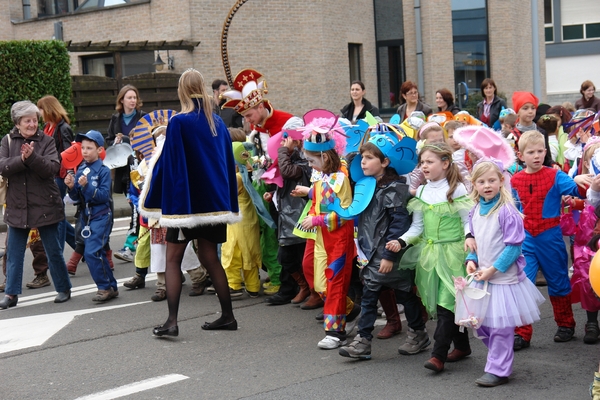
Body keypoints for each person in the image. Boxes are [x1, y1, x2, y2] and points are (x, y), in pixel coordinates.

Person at [141, 68, 240, 336]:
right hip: (214, 204)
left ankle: (172, 322)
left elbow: (170, 165)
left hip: (187, 206)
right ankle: (228, 316)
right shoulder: (216, 122)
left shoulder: (179, 121)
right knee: (210, 258)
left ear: (182, 90)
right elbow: (224, 164)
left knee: (172, 260)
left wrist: (153, 193)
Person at [337, 131, 431, 359]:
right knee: (373, 296)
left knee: (403, 294)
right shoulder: (368, 186)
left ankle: (416, 333)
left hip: (389, 254)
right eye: (362, 158)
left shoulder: (395, 189)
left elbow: (399, 224)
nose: (363, 162)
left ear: (385, 162)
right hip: (370, 254)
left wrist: (389, 256)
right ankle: (365, 341)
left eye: (369, 157)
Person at [393, 142, 475, 373]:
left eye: (430, 161)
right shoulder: (421, 191)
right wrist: (401, 241)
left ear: (445, 163)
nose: (424, 166)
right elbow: (417, 228)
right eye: (422, 162)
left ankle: (438, 355)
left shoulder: (456, 189)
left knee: (446, 304)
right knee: (441, 301)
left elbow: (467, 219)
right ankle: (462, 346)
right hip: (429, 255)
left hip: (453, 254)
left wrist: (470, 237)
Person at [221, 69, 303, 296]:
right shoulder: (255, 132)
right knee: (275, 237)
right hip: (270, 191)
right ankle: (289, 283)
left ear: (260, 106)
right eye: (245, 117)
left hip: (292, 191)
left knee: (289, 240)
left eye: (249, 115)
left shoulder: (289, 122)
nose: (247, 121)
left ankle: (291, 285)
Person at [465, 159, 544, 387]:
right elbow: (475, 241)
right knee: (480, 324)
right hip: (483, 277)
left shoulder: (507, 211)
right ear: (474, 184)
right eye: (481, 181)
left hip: (503, 279)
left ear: (501, 181)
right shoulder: (475, 210)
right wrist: (471, 260)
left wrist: (493, 269)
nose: (487, 185)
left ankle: (498, 368)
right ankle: (500, 355)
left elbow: (514, 247)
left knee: (501, 327)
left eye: (492, 180)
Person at [291, 109, 360, 349]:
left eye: (312, 160)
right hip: (322, 238)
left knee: (335, 283)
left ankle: (336, 332)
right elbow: (322, 197)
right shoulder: (322, 174)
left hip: (338, 239)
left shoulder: (340, 176)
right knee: (319, 283)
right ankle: (350, 312)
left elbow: (344, 213)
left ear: (324, 155)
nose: (309, 165)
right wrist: (308, 193)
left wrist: (317, 220)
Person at [511, 130, 585, 349]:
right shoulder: (515, 179)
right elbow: (509, 206)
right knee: (522, 282)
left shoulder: (555, 175)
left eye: (540, 151)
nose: (536, 155)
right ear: (521, 155)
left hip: (550, 235)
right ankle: (522, 332)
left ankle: (565, 324)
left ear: (546, 151)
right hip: (526, 238)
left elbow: (576, 191)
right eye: (531, 152)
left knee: (558, 280)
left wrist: (581, 180)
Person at [0, 101, 72, 308]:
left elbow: (52, 168)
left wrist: (31, 158)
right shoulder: (7, 141)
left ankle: (63, 288)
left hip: (45, 203)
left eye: (34, 120)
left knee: (53, 250)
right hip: (17, 205)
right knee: (14, 252)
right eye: (27, 121)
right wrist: (21, 161)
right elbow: (2, 166)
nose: (32, 124)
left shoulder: (47, 141)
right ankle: (11, 295)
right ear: (17, 122)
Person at [65, 130, 118, 302]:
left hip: (101, 215)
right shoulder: (81, 168)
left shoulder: (103, 171)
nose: (85, 151)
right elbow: (76, 199)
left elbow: (104, 196)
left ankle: (103, 288)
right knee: (98, 252)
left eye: (89, 148)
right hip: (86, 217)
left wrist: (87, 187)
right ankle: (111, 286)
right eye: (83, 148)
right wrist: (72, 187)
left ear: (100, 150)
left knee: (91, 253)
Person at [264, 132, 312, 306]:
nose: (283, 143)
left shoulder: (304, 161)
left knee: (304, 259)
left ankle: (313, 292)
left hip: (301, 217)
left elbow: (288, 172)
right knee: (285, 257)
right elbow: (284, 181)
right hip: (288, 217)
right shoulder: (290, 158)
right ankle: (303, 286)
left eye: (286, 140)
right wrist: (274, 194)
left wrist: (284, 150)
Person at [107, 84, 146, 263]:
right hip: (122, 171)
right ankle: (142, 243)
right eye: (129, 97)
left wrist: (128, 139)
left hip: (138, 170)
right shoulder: (115, 119)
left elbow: (147, 141)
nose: (133, 101)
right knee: (135, 208)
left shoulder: (143, 117)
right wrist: (115, 141)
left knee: (136, 209)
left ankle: (130, 246)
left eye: (134, 97)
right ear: (121, 100)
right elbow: (108, 140)